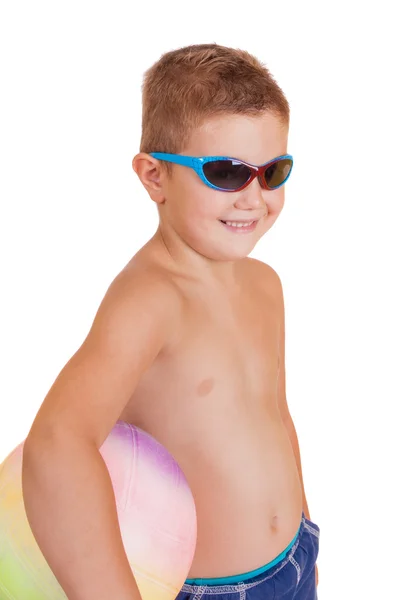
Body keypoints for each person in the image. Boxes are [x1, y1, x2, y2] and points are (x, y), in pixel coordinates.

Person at [22, 43, 320, 600]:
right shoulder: (150, 300)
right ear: (156, 176)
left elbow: (275, 416)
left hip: (294, 560)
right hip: (209, 590)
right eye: (227, 173)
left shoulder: (265, 285)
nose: (254, 198)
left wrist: (304, 528)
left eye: (273, 172)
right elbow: (57, 444)